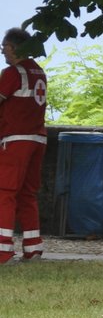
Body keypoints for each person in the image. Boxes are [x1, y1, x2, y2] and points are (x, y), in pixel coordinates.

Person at [0, 27, 47, 263]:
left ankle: (3, 250)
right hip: (38, 138)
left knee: (5, 193)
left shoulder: (12, 73)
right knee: (28, 194)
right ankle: (33, 248)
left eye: (5, 47)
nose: (2, 51)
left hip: (16, 139)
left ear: (15, 47)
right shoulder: (39, 72)